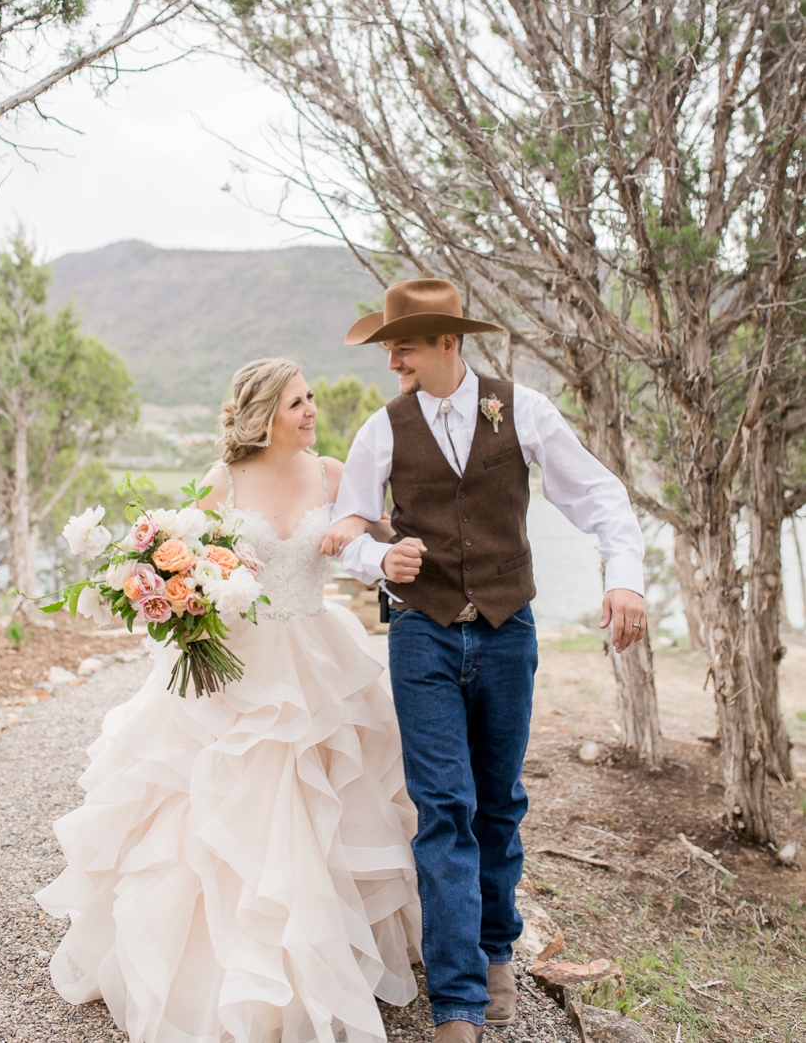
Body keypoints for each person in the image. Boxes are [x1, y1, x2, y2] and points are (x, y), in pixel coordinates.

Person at [37, 357, 421, 1043]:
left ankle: (325, 954)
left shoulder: (334, 474)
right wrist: (175, 603)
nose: (311, 411)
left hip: (316, 655)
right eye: (299, 402)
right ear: (266, 412)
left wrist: (395, 543)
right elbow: (179, 555)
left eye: (311, 400)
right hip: (236, 665)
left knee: (327, 800)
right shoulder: (225, 480)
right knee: (215, 809)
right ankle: (220, 976)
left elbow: (388, 535)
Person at [321, 280, 646, 1043]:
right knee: (445, 809)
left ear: (447, 342)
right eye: (387, 343)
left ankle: (498, 946)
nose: (391, 355)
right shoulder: (382, 428)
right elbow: (346, 528)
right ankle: (458, 1002)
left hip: (507, 633)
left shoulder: (523, 410)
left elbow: (599, 495)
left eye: (404, 341)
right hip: (421, 634)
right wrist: (380, 556)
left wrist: (624, 574)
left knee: (498, 803)